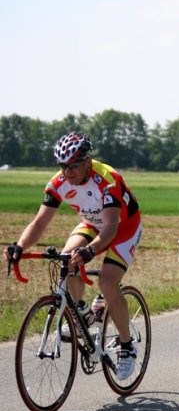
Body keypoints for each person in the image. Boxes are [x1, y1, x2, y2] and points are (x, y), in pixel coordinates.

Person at [3, 132, 143, 380]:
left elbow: (110, 227)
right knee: (66, 258)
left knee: (108, 282)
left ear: (88, 161)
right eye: (62, 166)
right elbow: (40, 222)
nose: (67, 172)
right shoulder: (58, 183)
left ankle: (127, 347)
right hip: (92, 223)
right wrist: (20, 245)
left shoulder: (107, 180)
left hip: (123, 228)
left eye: (73, 166)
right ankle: (82, 313)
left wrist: (90, 250)